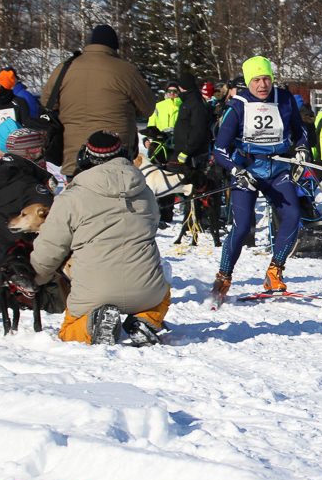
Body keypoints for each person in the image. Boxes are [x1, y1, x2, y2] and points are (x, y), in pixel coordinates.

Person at [31, 131, 170, 346]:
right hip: (145, 291)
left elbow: (50, 247)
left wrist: (36, 278)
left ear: (85, 157)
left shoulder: (70, 197)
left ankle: (92, 324)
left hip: (92, 293)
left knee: (68, 329)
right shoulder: (145, 191)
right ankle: (144, 321)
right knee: (162, 293)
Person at [210, 56, 310, 305]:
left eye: (266, 78)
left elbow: (300, 129)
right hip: (247, 170)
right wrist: (236, 171)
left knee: (293, 215)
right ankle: (224, 276)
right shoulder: (238, 105)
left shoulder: (284, 98)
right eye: (256, 80)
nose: (262, 85)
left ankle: (274, 272)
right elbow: (219, 149)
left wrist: (301, 148)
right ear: (248, 82)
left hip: (278, 169)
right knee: (243, 226)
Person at [42, 25, 155, 177]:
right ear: (115, 48)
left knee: (77, 191)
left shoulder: (65, 68)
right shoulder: (126, 71)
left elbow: (47, 101)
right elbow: (147, 109)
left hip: (75, 158)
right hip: (115, 156)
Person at [0, 123, 55, 298]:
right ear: (33, 153)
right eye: (40, 150)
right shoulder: (29, 185)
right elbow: (55, 223)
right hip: (19, 267)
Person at [171, 72, 213, 168]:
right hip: (183, 151)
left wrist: (186, 151)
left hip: (191, 154)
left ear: (181, 86)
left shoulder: (196, 103)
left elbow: (198, 129)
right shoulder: (187, 101)